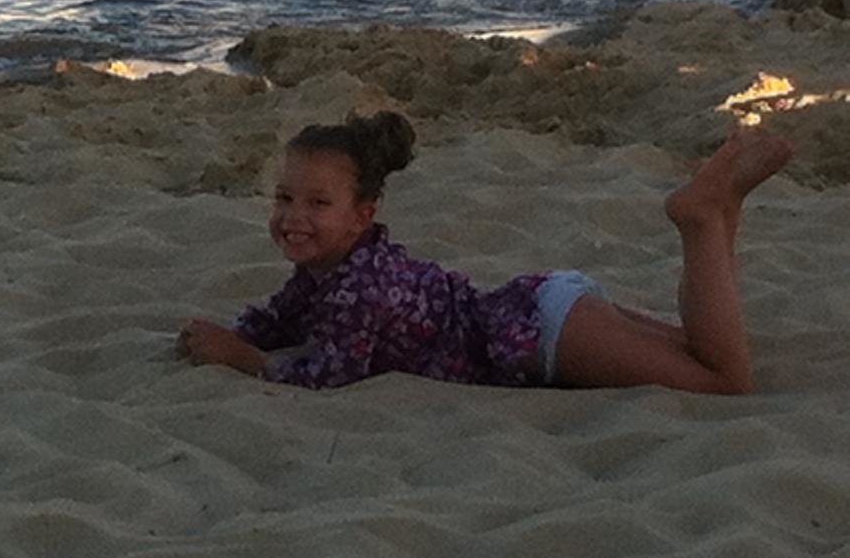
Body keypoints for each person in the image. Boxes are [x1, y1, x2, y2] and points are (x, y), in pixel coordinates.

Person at [177, 111, 793, 394]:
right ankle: (724, 205)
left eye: (318, 203)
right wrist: (233, 333)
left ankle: (702, 219)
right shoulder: (329, 272)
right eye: (284, 198)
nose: (294, 217)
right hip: (541, 312)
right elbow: (282, 316)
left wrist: (243, 358)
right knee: (700, 351)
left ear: (363, 215)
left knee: (723, 380)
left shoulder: (361, 289)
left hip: (540, 340)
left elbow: (330, 373)